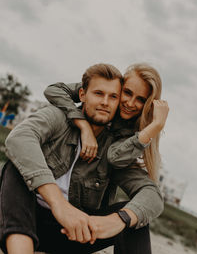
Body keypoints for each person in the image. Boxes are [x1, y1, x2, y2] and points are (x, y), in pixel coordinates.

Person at [0, 63, 164, 254]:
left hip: (72, 233)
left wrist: (118, 220)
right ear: (82, 94)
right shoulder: (58, 116)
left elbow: (152, 194)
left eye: (113, 97)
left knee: (136, 220)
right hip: (25, 222)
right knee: (15, 169)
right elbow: (20, 138)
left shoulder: (116, 150)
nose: (105, 102)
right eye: (98, 94)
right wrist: (59, 204)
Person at [44, 63, 169, 182]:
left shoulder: (134, 131)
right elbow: (54, 90)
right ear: (120, 88)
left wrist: (156, 125)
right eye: (127, 93)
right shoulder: (107, 91)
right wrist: (84, 126)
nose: (130, 104)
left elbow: (115, 158)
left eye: (141, 100)